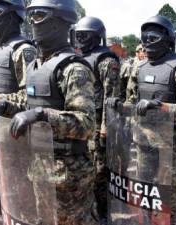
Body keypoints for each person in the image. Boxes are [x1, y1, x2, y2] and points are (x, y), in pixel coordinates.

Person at [0, 0, 98, 224]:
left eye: (39, 15)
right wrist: (3, 104)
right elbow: (24, 98)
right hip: (39, 164)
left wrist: (41, 115)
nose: (32, 22)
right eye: (31, 15)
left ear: (58, 21)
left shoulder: (73, 68)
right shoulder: (36, 65)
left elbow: (85, 123)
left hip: (68, 170)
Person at [110, 15, 176, 224]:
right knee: (145, 189)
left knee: (168, 194)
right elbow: (132, 101)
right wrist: (119, 105)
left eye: (153, 37)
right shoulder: (138, 67)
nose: (148, 41)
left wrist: (160, 106)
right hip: (143, 142)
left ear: (166, 39)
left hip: (170, 146)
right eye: (145, 37)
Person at [74, 16, 120, 222]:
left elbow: (111, 98)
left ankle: (103, 214)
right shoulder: (79, 58)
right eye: (79, 35)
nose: (81, 39)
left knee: (101, 172)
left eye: (86, 35)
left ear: (97, 37)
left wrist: (105, 129)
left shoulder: (106, 60)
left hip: (99, 123)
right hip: (83, 121)